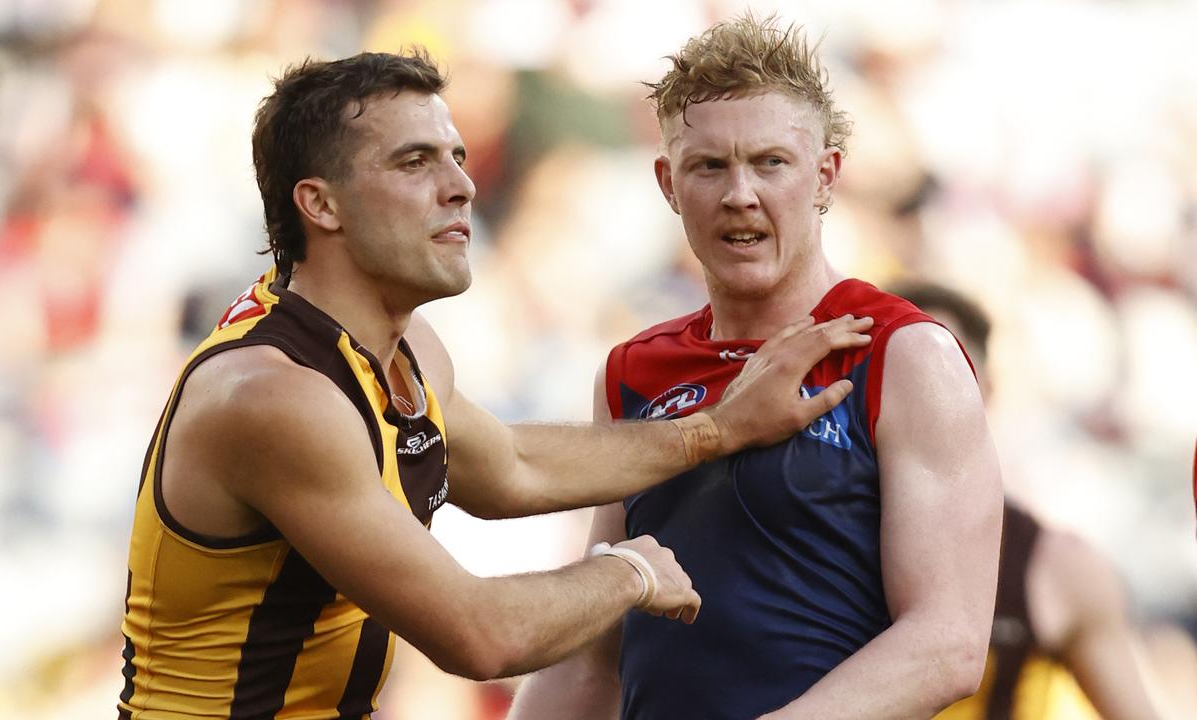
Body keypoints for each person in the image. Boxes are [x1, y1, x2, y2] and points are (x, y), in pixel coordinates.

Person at [115, 50, 875, 719]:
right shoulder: (274, 394)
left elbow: (509, 466)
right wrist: (631, 571)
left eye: (456, 155)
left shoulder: (404, 348)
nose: (462, 187)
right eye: (415, 163)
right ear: (319, 204)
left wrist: (716, 430)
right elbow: (478, 633)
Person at [509, 14, 1003, 720]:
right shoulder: (630, 371)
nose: (740, 193)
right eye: (709, 166)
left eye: (770, 162)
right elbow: (595, 658)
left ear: (826, 175)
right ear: (668, 183)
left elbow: (947, 642)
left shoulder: (905, 353)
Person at [890, 281, 1162, 720]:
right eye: (891, 370)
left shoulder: (1054, 563)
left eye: (945, 369)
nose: (919, 394)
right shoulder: (802, 536)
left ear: (988, 388)